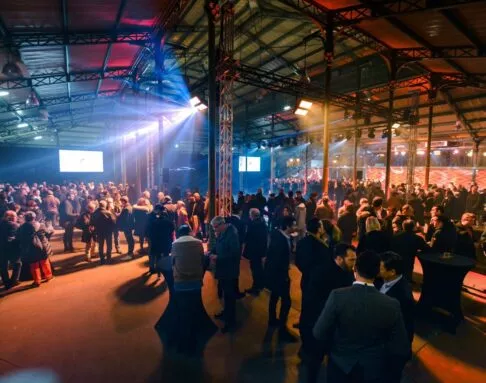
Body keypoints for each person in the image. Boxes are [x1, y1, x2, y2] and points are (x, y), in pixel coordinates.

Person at [313, 251, 410, 383]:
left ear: (355, 269)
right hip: (372, 367)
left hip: (340, 364)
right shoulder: (391, 304)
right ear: (377, 273)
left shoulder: (337, 296)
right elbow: (401, 345)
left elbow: (319, 332)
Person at [302, 243, 356, 383]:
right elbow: (312, 300)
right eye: (351, 259)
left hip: (339, 327)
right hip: (322, 323)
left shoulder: (348, 272)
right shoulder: (321, 272)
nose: (354, 263)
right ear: (339, 258)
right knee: (316, 358)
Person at [265, 216, 298, 342]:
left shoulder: (280, 236)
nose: (295, 228)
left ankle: (272, 320)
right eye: (293, 225)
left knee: (274, 297)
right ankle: (282, 329)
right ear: (287, 226)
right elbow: (276, 260)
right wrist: (283, 275)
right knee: (286, 301)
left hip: (277, 274)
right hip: (280, 275)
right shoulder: (280, 240)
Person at [210, 216, 241, 333]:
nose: (214, 230)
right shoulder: (223, 232)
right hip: (223, 269)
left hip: (229, 270)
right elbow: (219, 245)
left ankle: (230, 321)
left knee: (229, 296)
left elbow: (234, 253)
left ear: (222, 224)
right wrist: (212, 251)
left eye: (215, 228)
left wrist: (218, 257)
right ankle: (226, 313)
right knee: (225, 294)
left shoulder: (232, 234)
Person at [379, 252, 415, 346]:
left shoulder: (403, 296)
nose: (377, 270)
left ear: (392, 272)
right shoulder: (379, 279)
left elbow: (406, 325)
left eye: (380, 268)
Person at [17, 211, 53, 287]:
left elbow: (19, 237)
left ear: (25, 218)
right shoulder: (41, 225)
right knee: (44, 261)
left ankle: (37, 280)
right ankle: (48, 276)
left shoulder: (22, 227)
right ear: (34, 217)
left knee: (34, 264)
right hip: (43, 246)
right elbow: (48, 232)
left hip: (31, 247)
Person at [145, 204, 175, 290]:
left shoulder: (154, 222)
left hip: (156, 243)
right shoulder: (168, 222)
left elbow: (150, 232)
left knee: (157, 257)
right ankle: (166, 273)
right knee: (166, 256)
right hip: (166, 242)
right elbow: (172, 229)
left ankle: (158, 273)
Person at [242, 208, 268, 295]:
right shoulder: (263, 223)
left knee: (255, 269)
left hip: (253, 250)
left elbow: (247, 237)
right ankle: (260, 285)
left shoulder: (252, 225)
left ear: (252, 215)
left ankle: (255, 288)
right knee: (259, 268)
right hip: (260, 250)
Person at [90, 200, 116, 265]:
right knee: (109, 245)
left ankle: (102, 260)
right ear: (105, 205)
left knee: (100, 246)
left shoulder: (94, 213)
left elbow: (91, 223)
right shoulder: (108, 213)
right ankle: (109, 259)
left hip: (99, 232)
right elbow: (114, 222)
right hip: (108, 231)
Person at [0, 210, 20, 290]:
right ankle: (13, 281)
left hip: (1, 248)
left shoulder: (1, 223)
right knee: (18, 263)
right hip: (12, 248)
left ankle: (6, 283)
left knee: (3, 266)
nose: (16, 217)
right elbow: (13, 237)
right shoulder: (14, 225)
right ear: (12, 217)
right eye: (15, 216)